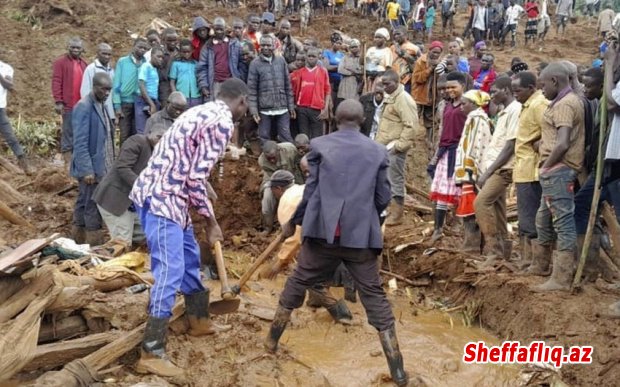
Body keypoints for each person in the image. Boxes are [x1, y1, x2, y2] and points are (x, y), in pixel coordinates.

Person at [264, 99, 409, 387]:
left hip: (322, 234)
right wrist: (366, 218)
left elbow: (312, 192)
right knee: (375, 297)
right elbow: (384, 196)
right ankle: (398, 372)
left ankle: (270, 342)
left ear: (335, 118)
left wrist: (294, 222)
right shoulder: (378, 151)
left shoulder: (319, 146)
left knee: (298, 281)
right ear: (362, 120)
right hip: (360, 237)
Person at [130, 78, 249, 377]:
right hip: (162, 198)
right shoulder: (223, 123)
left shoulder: (199, 111)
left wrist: (203, 185)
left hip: (172, 196)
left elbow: (186, 160)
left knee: (189, 259)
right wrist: (211, 222)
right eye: (246, 107)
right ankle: (151, 351)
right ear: (242, 102)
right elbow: (194, 178)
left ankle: (198, 319)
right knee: (169, 270)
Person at [259, 169, 354, 324]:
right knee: (325, 272)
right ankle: (321, 301)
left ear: (278, 189)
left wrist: (279, 263)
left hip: (329, 237)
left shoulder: (287, 201)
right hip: (347, 232)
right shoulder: (300, 190)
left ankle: (343, 315)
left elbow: (296, 237)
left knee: (311, 278)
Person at [530, 62, 584, 292]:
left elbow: (562, 143)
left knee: (562, 223)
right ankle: (541, 265)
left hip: (558, 170)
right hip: (555, 170)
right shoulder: (564, 102)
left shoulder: (565, 105)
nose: (541, 90)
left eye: (543, 85)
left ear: (554, 81)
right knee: (543, 219)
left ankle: (561, 278)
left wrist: (547, 167)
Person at [93, 125, 165, 249]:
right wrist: (142, 186)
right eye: (158, 137)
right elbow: (123, 167)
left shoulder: (158, 153)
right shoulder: (137, 141)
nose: (160, 140)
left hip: (131, 204)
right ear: (149, 133)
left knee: (146, 233)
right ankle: (105, 264)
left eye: (164, 139)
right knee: (122, 243)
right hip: (114, 201)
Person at [475, 76, 521, 265]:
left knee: (481, 203)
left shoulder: (515, 110)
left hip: (503, 168)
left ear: (507, 91)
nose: (491, 95)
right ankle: (504, 252)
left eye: (494, 91)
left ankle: (494, 251)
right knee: (499, 209)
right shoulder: (504, 111)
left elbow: (510, 145)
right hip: (496, 166)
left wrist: (488, 172)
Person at [572, 66, 609, 281]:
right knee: (585, 208)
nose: (585, 89)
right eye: (583, 84)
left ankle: (589, 268)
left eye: (589, 85)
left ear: (602, 86)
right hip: (598, 166)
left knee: (581, 206)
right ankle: (590, 268)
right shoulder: (596, 103)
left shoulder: (607, 104)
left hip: (607, 168)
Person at [71, 73, 115, 246]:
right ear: (94, 86)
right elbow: (80, 142)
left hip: (101, 164)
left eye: (109, 90)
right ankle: (94, 241)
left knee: (84, 200)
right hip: (91, 167)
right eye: (103, 89)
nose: (106, 93)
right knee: (92, 203)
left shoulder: (101, 104)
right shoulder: (84, 106)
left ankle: (78, 237)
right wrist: (87, 169)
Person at [510, 71, 547, 271]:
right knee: (526, 218)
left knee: (530, 218)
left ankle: (536, 262)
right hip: (524, 168)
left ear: (531, 88)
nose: (515, 94)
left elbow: (550, 130)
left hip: (532, 170)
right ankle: (527, 260)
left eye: (518, 91)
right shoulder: (528, 105)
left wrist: (539, 145)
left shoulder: (538, 105)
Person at [428, 71, 468, 242]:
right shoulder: (447, 106)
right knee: (443, 192)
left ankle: (459, 226)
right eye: (447, 87)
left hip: (459, 152)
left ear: (463, 87)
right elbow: (442, 130)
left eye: (454, 87)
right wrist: (436, 154)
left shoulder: (467, 106)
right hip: (445, 151)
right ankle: (438, 229)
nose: (449, 90)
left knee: (459, 191)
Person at [375, 70, 418, 226]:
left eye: (388, 84)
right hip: (385, 146)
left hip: (395, 147)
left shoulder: (403, 99)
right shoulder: (392, 97)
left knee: (395, 180)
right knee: (386, 179)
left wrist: (399, 146)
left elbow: (411, 126)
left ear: (397, 82)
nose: (384, 87)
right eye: (383, 84)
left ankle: (397, 214)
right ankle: (389, 209)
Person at [454, 89, 492, 254]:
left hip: (471, 172)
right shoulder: (474, 118)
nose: (461, 107)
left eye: (464, 103)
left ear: (474, 104)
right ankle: (474, 244)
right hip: (469, 171)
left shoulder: (477, 120)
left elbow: (474, 148)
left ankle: (472, 246)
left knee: (470, 209)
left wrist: (469, 172)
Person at [248, 35, 295, 144]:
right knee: (264, 137)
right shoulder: (255, 64)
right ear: (259, 47)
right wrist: (254, 111)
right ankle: (267, 159)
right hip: (265, 108)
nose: (265, 47)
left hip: (282, 106)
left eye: (268, 45)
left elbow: (287, 85)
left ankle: (290, 159)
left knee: (286, 136)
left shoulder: (281, 61)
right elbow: (252, 90)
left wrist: (291, 106)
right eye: (263, 45)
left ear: (274, 46)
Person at [52, 37, 88, 168]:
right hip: (68, 105)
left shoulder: (84, 64)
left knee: (80, 133)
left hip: (81, 105)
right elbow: (56, 81)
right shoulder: (60, 62)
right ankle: (68, 164)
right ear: (68, 47)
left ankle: (76, 162)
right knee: (68, 132)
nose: (75, 50)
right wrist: (58, 101)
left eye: (78, 48)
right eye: (73, 47)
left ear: (82, 49)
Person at [258, 140, 304, 233]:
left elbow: (300, 164)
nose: (272, 160)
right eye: (269, 158)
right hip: (274, 180)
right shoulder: (262, 160)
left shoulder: (290, 149)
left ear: (278, 151)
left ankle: (297, 223)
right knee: (267, 196)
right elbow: (273, 180)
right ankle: (268, 226)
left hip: (293, 177)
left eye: (273, 157)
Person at [113, 38, 150, 145]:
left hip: (140, 103)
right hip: (125, 103)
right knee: (124, 135)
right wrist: (117, 105)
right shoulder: (122, 62)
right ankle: (122, 160)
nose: (142, 50)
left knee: (137, 134)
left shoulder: (146, 63)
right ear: (133, 46)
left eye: (145, 48)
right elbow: (116, 84)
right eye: (140, 47)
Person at [197, 18, 243, 103]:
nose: (219, 31)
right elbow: (202, 67)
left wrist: (239, 79)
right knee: (216, 108)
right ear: (213, 29)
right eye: (216, 29)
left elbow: (241, 62)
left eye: (221, 29)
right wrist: (203, 85)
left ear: (225, 29)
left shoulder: (234, 44)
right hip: (215, 83)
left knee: (231, 108)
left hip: (231, 82)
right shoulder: (208, 46)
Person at [291, 49, 331, 140]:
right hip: (302, 108)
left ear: (318, 58)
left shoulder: (323, 71)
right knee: (303, 135)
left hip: (316, 108)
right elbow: (294, 89)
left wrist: (325, 108)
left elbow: (327, 90)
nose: (311, 58)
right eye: (309, 56)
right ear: (306, 57)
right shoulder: (300, 72)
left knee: (317, 136)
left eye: (314, 56)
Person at [0, 57, 31, 175]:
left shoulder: (6, 68)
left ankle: (25, 165)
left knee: (10, 137)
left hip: (0, 109)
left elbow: (9, 85)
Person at [412, 41, 443, 151]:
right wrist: (430, 70)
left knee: (430, 119)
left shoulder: (440, 63)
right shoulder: (421, 61)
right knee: (414, 118)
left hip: (432, 96)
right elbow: (417, 78)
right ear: (429, 50)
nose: (435, 55)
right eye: (434, 52)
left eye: (438, 53)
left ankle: (429, 139)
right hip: (419, 95)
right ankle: (411, 140)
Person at [80, 43, 115, 121]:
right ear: (98, 53)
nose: (107, 56)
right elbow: (85, 91)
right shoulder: (91, 69)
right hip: (95, 110)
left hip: (109, 111)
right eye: (104, 53)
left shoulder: (111, 70)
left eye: (109, 54)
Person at [136, 47, 164, 134]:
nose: (161, 59)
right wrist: (151, 104)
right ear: (152, 55)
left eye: (162, 57)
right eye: (158, 57)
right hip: (143, 101)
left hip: (153, 101)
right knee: (142, 130)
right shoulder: (145, 66)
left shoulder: (154, 69)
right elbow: (141, 85)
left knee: (151, 129)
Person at [169, 40, 201, 108]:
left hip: (196, 96)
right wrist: (175, 95)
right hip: (182, 96)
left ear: (192, 51)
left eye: (188, 52)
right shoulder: (176, 64)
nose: (186, 54)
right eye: (184, 52)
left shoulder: (196, 64)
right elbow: (172, 82)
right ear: (180, 52)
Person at [391, 27, 421, 94]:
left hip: (407, 80)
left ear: (405, 35)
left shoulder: (414, 48)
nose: (396, 36)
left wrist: (404, 55)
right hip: (393, 80)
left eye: (398, 34)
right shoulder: (392, 48)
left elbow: (420, 64)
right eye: (394, 35)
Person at [364, 28, 393, 94]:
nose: (376, 39)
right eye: (375, 37)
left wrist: (382, 79)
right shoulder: (370, 49)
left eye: (379, 37)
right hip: (368, 77)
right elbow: (364, 63)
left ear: (384, 39)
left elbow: (388, 68)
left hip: (379, 78)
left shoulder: (387, 51)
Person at [157, 28, 179, 108]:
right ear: (164, 41)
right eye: (169, 40)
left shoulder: (180, 52)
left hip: (179, 85)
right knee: (166, 109)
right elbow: (161, 74)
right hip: (164, 87)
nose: (173, 43)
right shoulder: (160, 54)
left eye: (175, 40)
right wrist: (171, 59)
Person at [322, 33, 345, 109]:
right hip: (330, 81)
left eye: (340, 43)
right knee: (330, 102)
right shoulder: (326, 53)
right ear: (332, 43)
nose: (339, 45)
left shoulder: (341, 55)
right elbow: (326, 67)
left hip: (340, 82)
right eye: (337, 43)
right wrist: (339, 67)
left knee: (338, 103)